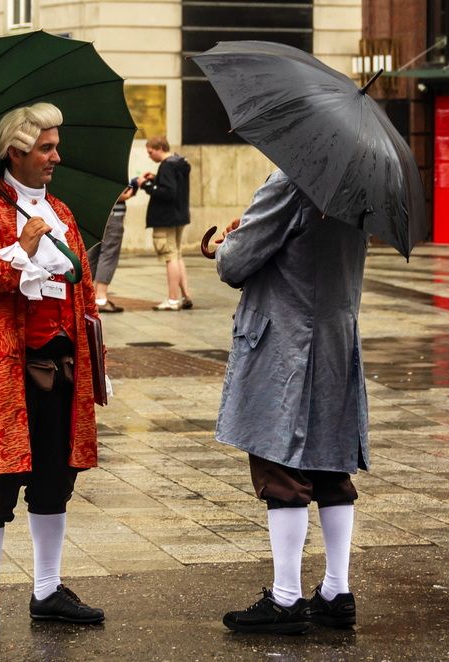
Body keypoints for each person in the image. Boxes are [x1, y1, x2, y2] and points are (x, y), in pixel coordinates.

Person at [0, 102, 104, 639]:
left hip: (62, 369)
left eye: (56, 146)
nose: (56, 156)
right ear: (16, 153)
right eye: (46, 148)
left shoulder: (62, 211)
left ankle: (47, 590)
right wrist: (21, 249)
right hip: (1, 374)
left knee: (55, 480)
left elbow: (82, 292)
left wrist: (95, 359)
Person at [214, 170, 369, 635]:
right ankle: (336, 591)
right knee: (330, 465)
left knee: (279, 465)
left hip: (285, 343)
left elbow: (234, 264)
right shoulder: (355, 184)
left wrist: (227, 242)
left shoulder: (291, 180)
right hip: (335, 339)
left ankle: (285, 598)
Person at [136, 136, 193, 311]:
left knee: (170, 257)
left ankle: (172, 299)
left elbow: (168, 192)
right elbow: (172, 186)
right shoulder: (179, 162)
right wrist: (155, 179)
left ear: (160, 147)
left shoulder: (167, 165)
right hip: (179, 215)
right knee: (177, 255)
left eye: (150, 152)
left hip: (166, 218)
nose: (149, 156)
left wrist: (145, 184)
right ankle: (185, 296)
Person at [88, 182, 135, 313]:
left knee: (94, 253)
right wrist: (124, 195)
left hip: (98, 214)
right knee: (109, 254)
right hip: (113, 216)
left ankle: (90, 295)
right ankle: (101, 298)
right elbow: (109, 192)